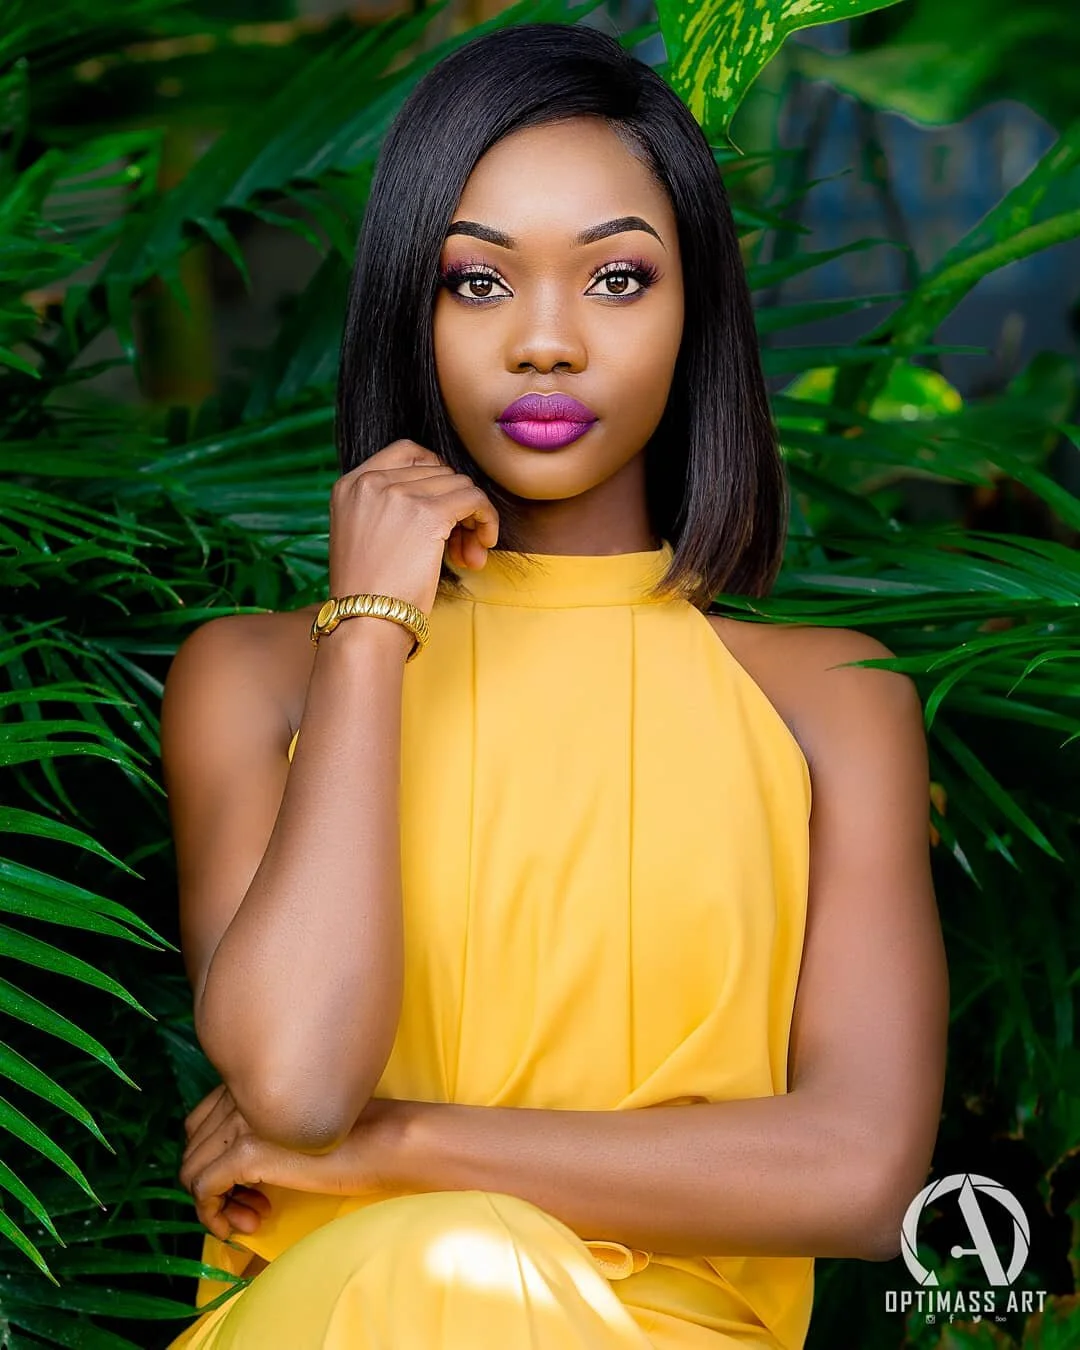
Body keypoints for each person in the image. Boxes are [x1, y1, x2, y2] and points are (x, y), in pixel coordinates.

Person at [159, 21, 949, 1350]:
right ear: (409, 305)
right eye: (478, 281)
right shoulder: (258, 677)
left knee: (455, 1250)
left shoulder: (835, 701)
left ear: (696, 311)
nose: (544, 343)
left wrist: (395, 1147)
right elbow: (294, 1086)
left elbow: (863, 1178)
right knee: (434, 1265)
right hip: (338, 1313)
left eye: (617, 279)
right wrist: (370, 629)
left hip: (674, 1330)